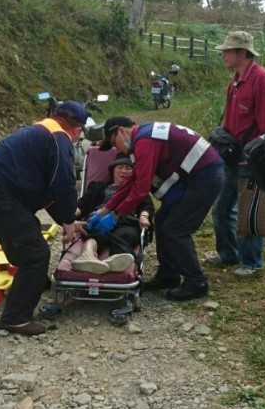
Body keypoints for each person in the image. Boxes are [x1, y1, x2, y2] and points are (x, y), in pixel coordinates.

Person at [0, 101, 88, 336]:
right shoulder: (59, 137)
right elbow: (63, 183)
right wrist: (68, 218)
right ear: (77, 129)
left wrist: (67, 220)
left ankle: (35, 284)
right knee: (36, 252)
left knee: (28, 230)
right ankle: (16, 318)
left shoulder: (40, 130)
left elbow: (49, 192)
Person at [90, 116, 224, 301]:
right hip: (195, 177)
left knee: (176, 228)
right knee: (161, 221)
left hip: (205, 177)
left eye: (114, 143)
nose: (116, 149)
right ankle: (169, 274)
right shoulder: (143, 137)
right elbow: (133, 181)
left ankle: (196, 281)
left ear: (122, 131)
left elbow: (141, 189)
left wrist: (116, 215)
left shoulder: (145, 141)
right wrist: (104, 211)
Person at [209, 30, 265, 276]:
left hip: (250, 156)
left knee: (249, 209)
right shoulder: (235, 80)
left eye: (227, 51)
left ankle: (251, 262)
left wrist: (257, 155)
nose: (223, 55)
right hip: (231, 154)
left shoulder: (260, 78)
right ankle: (228, 254)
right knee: (222, 207)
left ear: (241, 52)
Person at [71, 154, 154, 274]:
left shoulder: (137, 189)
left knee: (124, 235)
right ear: (112, 169)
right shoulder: (97, 187)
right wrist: (69, 218)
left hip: (126, 221)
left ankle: (116, 260)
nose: (124, 171)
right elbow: (82, 205)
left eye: (129, 168)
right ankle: (86, 256)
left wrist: (144, 216)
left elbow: (147, 205)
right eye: (120, 167)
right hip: (99, 219)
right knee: (94, 235)